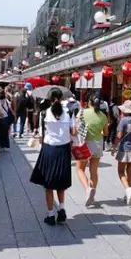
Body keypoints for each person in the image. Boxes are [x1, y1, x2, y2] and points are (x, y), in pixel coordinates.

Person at [30, 87, 76, 225]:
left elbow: (41, 137)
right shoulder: (69, 111)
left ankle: (50, 214)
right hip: (64, 150)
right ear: (62, 98)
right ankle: (61, 209)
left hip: (49, 149)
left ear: (49, 99)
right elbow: (73, 131)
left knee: (48, 184)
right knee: (61, 182)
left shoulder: (43, 113)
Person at [77, 92, 109, 207]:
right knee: (94, 171)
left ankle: (87, 189)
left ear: (88, 102)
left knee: (80, 169)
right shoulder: (103, 116)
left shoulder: (82, 113)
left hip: (85, 144)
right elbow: (106, 133)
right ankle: (92, 197)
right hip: (98, 144)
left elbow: (77, 128)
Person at [113, 99, 131, 206]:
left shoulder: (124, 120)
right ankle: (129, 194)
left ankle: (128, 190)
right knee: (130, 170)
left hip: (124, 148)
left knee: (120, 171)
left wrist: (114, 147)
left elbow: (119, 136)